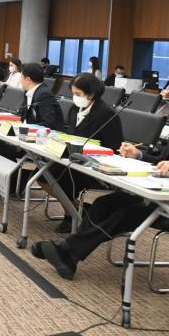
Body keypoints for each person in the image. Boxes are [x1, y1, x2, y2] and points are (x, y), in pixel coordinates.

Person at [33, 82, 169, 280]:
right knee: (103, 204)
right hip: (160, 190)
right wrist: (138, 154)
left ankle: (67, 251)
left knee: (129, 212)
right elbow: (161, 160)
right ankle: (69, 254)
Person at [43, 73, 124, 233]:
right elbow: (71, 135)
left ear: (91, 94)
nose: (75, 97)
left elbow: (114, 147)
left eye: (78, 94)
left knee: (58, 177)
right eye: (73, 93)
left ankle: (73, 216)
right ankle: (75, 212)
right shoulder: (74, 109)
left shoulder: (106, 114)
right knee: (43, 174)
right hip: (73, 160)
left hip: (94, 166)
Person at [18, 62, 63, 130]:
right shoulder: (28, 91)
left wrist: (27, 127)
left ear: (28, 80)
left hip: (48, 134)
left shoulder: (44, 95)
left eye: (21, 77)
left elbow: (48, 123)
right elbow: (22, 115)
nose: (20, 80)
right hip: (30, 131)